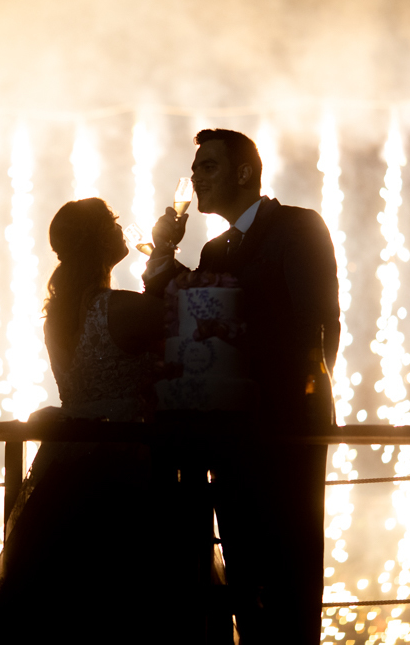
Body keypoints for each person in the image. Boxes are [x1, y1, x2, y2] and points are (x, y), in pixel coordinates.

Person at [143, 129, 340, 644]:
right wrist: (165, 259)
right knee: (243, 566)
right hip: (227, 433)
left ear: (244, 172)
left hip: (287, 431)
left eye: (207, 166)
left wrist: (305, 402)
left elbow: (320, 323)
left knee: (291, 570)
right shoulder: (213, 250)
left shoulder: (298, 227)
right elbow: (199, 316)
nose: (195, 176)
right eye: (195, 168)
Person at [0, 197, 165, 644]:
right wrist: (163, 257)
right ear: (99, 240)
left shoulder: (56, 314)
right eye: (111, 221)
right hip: (123, 467)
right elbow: (185, 318)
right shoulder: (121, 309)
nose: (120, 226)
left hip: (66, 465)